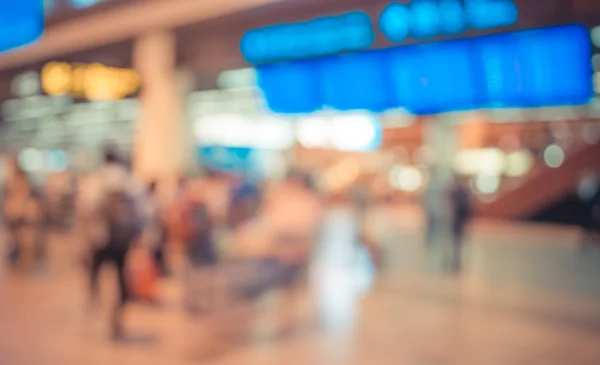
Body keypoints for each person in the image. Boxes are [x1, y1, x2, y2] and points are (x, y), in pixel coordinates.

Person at [83, 149, 144, 339]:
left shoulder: (95, 180)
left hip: (100, 238)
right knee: (120, 275)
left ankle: (97, 308)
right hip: (123, 239)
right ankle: (117, 316)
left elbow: (85, 208)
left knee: (96, 274)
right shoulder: (130, 180)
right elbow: (143, 212)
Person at [450, 177, 472, 273]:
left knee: (457, 243)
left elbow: (465, 210)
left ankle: (455, 262)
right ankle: (454, 261)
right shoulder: (457, 194)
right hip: (456, 222)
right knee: (455, 243)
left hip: (457, 222)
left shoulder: (461, 195)